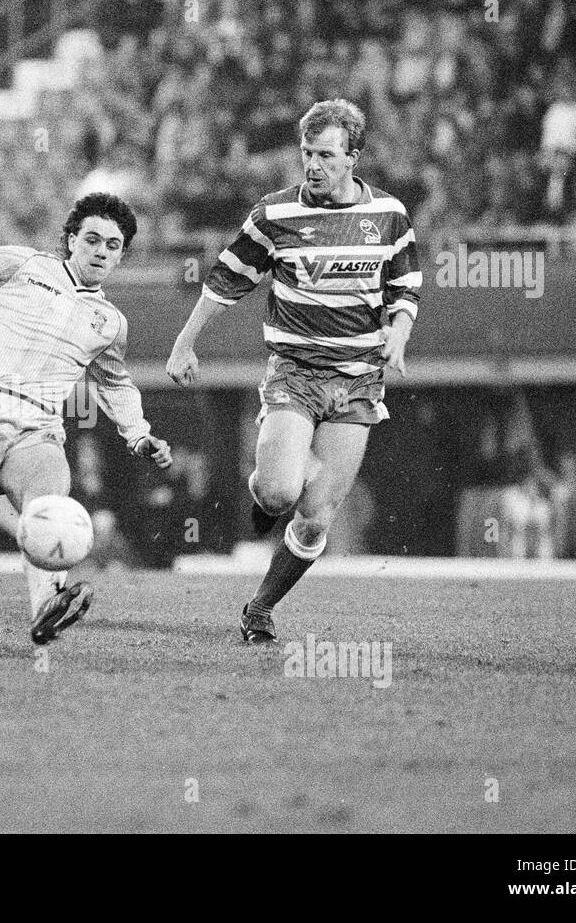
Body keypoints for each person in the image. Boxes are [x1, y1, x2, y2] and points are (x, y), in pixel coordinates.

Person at [166, 99, 421, 644]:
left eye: (327, 155)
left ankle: (259, 607)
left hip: (358, 378)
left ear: (353, 157)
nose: (314, 165)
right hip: (296, 372)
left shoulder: (389, 216)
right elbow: (225, 281)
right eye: (307, 153)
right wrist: (186, 343)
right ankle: (265, 494)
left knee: (315, 517)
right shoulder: (274, 215)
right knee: (281, 493)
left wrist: (398, 333)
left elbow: (405, 288)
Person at [0, 192, 173, 649]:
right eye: (92, 240)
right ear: (70, 241)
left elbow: (115, 384)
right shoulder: (29, 265)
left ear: (122, 254)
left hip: (38, 425)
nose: (101, 251)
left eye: (113, 245)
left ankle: (47, 606)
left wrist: (139, 434)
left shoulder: (110, 322)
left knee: (49, 508)